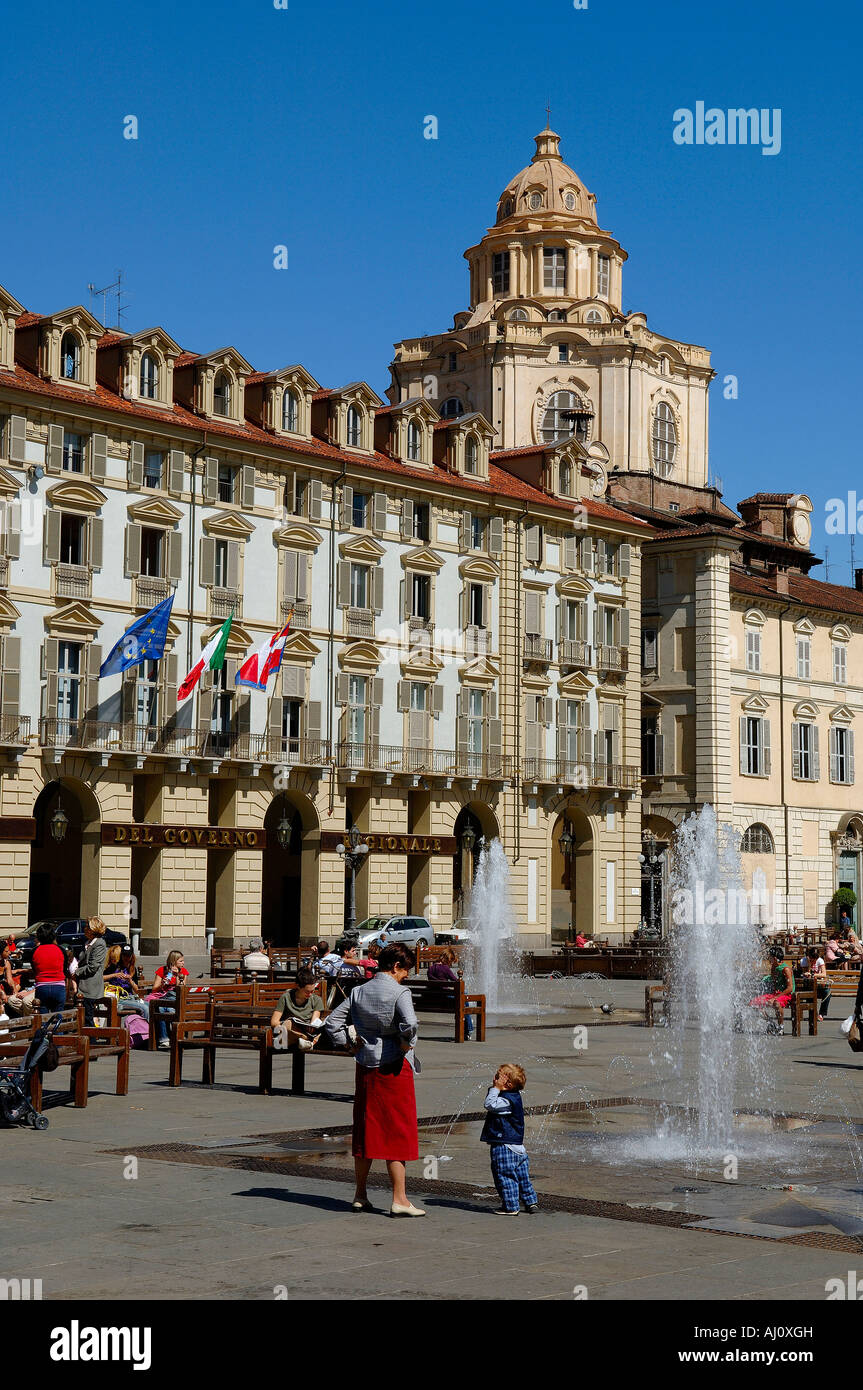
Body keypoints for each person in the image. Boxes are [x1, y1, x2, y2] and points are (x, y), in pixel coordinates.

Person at [324, 942, 424, 1217]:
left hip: (365, 1066)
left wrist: (349, 1044)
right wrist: (406, 1043)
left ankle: (360, 1194)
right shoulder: (400, 991)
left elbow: (332, 1023)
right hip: (393, 1068)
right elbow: (410, 1023)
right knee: (398, 1131)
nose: (407, 976)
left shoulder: (359, 991)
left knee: (365, 1130)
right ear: (395, 967)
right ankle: (400, 1199)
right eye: (406, 970)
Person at [481, 1064, 539, 1216]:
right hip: (517, 1147)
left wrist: (495, 1089)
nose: (495, 1079)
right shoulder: (513, 1096)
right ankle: (531, 1201)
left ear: (507, 1084)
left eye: (498, 1077)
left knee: (505, 1176)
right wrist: (497, 1088)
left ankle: (511, 1206)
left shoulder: (506, 1101)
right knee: (522, 1176)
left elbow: (489, 1104)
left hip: (504, 1146)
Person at [269, 967, 325, 1051]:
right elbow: (274, 1022)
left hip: (306, 1032)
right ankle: (304, 1041)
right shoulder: (286, 997)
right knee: (287, 1024)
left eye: (312, 991)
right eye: (307, 992)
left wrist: (311, 1027)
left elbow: (314, 1022)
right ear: (298, 986)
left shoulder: (316, 1000)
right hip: (289, 1031)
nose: (310, 994)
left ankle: (303, 1040)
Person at [428, 947, 473, 1038]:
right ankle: (469, 1028)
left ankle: (467, 1024)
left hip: (434, 998)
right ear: (447, 959)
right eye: (451, 962)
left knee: (463, 999)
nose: (451, 964)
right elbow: (456, 981)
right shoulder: (445, 968)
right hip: (446, 998)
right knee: (464, 999)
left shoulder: (431, 968)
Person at [748, 944, 794, 1034]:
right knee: (753, 1003)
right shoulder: (774, 967)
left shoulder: (786, 969)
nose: (769, 959)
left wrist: (774, 998)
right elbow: (773, 983)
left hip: (786, 994)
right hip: (775, 993)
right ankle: (770, 1023)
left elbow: (790, 988)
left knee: (776, 1003)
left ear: (776, 958)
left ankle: (781, 1027)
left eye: (770, 957)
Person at [149, 950, 189, 1048]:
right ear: (173, 961)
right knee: (162, 1009)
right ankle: (164, 1039)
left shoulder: (183, 972)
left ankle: (176, 1036)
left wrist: (176, 976)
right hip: (163, 996)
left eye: (183, 961)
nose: (183, 963)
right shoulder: (162, 970)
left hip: (176, 997)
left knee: (170, 1009)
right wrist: (162, 983)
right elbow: (154, 988)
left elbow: (181, 988)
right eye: (181, 961)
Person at [104, 944, 149, 1019]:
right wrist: (114, 975)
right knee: (145, 1008)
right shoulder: (115, 966)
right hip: (120, 999)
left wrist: (130, 980)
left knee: (152, 1006)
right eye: (124, 955)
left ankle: (155, 1030)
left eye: (128, 955)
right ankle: (146, 1030)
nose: (126, 958)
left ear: (132, 956)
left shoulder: (132, 969)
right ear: (121, 956)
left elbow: (137, 990)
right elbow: (101, 977)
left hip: (131, 997)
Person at [76, 917, 108, 1025]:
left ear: (93, 929)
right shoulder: (87, 942)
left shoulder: (99, 944)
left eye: (87, 927)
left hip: (90, 988)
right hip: (82, 987)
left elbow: (93, 967)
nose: (84, 929)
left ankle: (91, 1041)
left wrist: (77, 972)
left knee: (88, 1019)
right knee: (82, 1018)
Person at [31, 923, 67, 1014]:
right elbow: (64, 968)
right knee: (58, 1018)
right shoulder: (61, 950)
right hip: (59, 986)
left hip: (42, 986)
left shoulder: (34, 951)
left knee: (42, 1019)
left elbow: (34, 969)